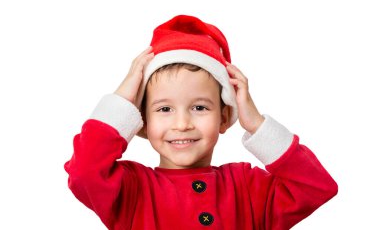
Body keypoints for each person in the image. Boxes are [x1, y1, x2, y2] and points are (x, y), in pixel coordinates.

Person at [64, 15, 338, 230]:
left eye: (199, 107)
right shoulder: (132, 189)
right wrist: (122, 98)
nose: (182, 123)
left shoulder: (246, 186)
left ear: (224, 116)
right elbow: (85, 172)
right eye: (165, 108)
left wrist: (256, 125)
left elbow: (316, 187)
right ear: (142, 121)